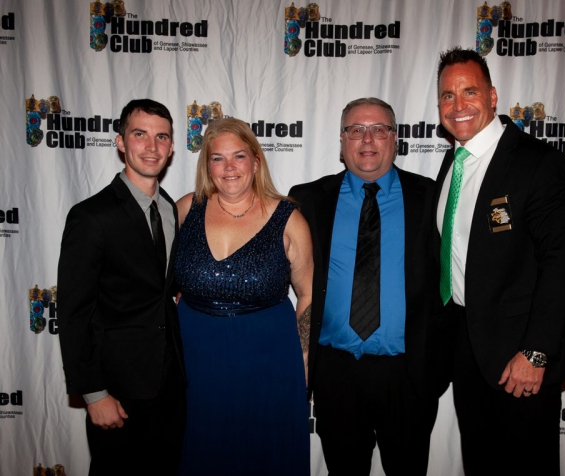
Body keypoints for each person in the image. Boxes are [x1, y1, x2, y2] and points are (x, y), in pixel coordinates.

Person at [434, 47, 565, 475]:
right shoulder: (453, 161)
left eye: (469, 91)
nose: (458, 105)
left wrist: (536, 352)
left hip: (521, 355)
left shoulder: (539, 162)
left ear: (493, 96)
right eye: (447, 95)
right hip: (468, 350)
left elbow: (560, 261)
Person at [289, 98, 453, 476]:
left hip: (408, 375)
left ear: (395, 139)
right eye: (356, 130)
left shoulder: (432, 197)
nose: (367, 139)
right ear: (342, 140)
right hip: (335, 374)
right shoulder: (307, 199)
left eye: (379, 129)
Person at [174, 117, 312, 475]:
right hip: (195, 357)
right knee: (199, 451)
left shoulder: (289, 219)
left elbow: (308, 294)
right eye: (217, 158)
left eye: (238, 156)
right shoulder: (185, 209)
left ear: (255, 161)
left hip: (269, 360)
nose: (229, 167)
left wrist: (303, 359)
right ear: (207, 166)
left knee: (263, 454)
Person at [57, 99, 186, 475]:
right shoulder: (91, 216)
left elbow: (160, 288)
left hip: (170, 386)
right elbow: (74, 312)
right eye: (140, 134)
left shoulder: (170, 210)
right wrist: (94, 394)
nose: (152, 146)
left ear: (172, 147)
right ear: (120, 142)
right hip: (117, 389)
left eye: (162, 137)